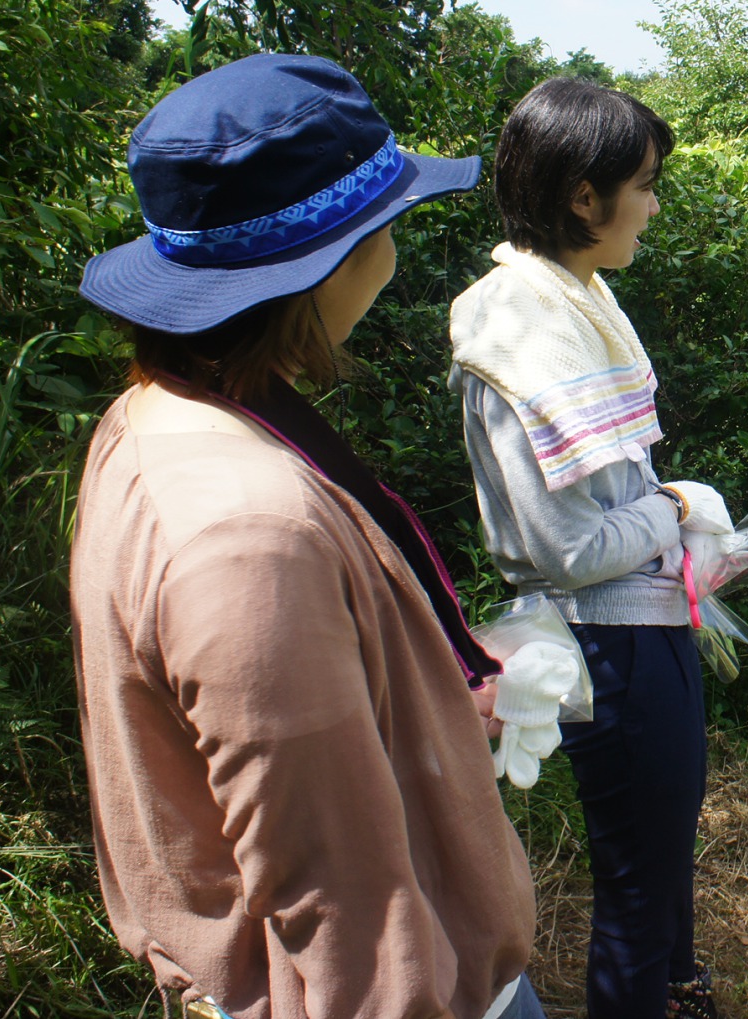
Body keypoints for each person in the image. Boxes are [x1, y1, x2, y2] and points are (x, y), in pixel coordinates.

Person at [69, 54, 542, 1019]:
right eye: (391, 226)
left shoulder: (166, 415)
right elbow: (342, 910)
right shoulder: (253, 539)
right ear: (338, 258)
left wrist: (428, 703)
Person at [449, 76, 728, 1019]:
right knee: (638, 890)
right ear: (583, 196)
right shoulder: (522, 332)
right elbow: (568, 549)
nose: (652, 206)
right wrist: (679, 507)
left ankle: (678, 996)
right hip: (611, 640)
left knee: (657, 862)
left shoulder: (573, 300)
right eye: (644, 184)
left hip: (642, 626)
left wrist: (665, 513)